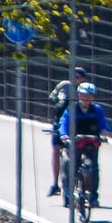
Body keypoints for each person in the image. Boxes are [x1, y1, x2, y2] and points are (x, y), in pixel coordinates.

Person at [55, 83, 112, 206]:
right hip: (75, 142)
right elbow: (64, 123)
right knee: (71, 165)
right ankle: (69, 193)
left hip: (91, 142)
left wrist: (104, 133)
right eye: (84, 95)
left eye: (89, 96)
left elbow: (103, 125)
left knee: (93, 167)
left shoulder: (97, 109)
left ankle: (93, 196)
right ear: (79, 95)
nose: (86, 98)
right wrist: (64, 136)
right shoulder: (72, 109)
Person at [47, 66, 90, 196]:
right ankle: (55, 183)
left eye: (78, 77)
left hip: (79, 124)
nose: (75, 80)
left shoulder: (86, 89)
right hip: (61, 122)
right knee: (56, 150)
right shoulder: (64, 85)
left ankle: (86, 185)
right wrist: (56, 100)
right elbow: (52, 95)